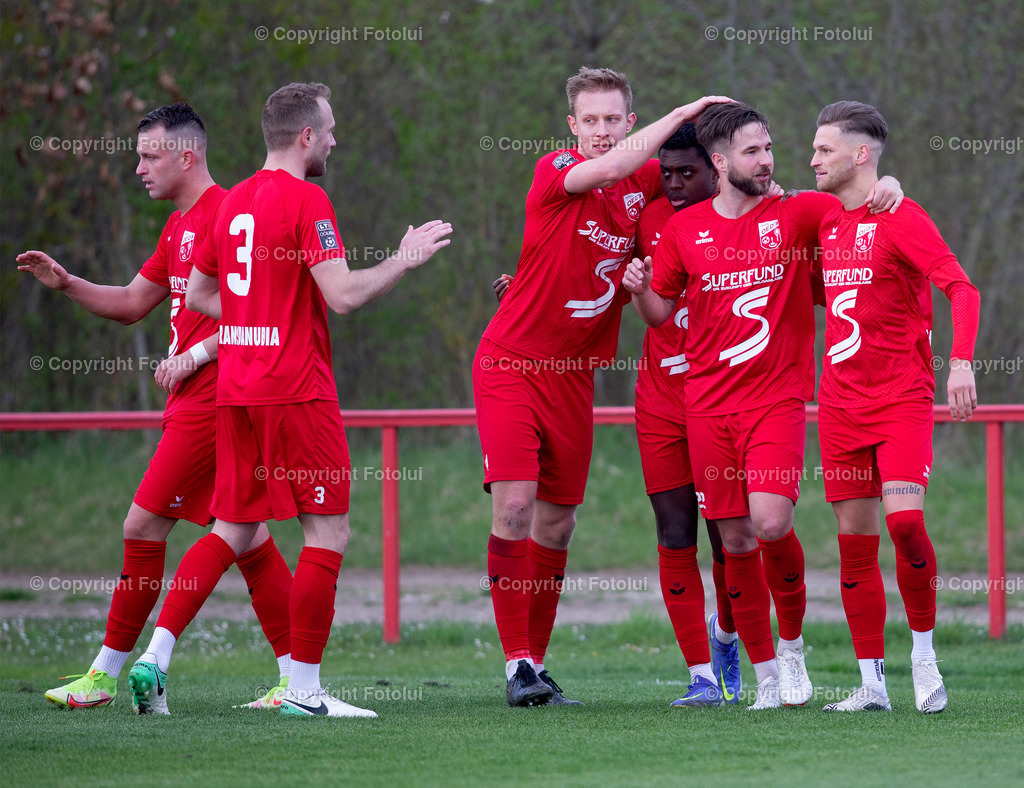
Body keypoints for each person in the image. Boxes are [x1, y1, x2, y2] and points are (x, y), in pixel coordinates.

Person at [127, 82, 452, 718]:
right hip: (297, 390)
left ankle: (155, 656)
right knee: (328, 532)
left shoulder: (232, 201)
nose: (334, 139)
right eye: (329, 129)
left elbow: (196, 297)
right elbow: (345, 295)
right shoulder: (309, 200)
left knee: (233, 528)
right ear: (305, 136)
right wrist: (403, 259)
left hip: (237, 392)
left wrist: (257, 313)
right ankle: (303, 690)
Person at [625, 101, 903, 709]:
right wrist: (643, 290)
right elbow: (660, 312)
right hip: (705, 406)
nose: (767, 159)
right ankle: (767, 679)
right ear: (720, 162)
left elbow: (861, 200)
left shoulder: (797, 211)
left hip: (776, 400)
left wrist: (887, 182)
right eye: (753, 151)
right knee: (736, 543)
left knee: (771, 523)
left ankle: (794, 649)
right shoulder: (684, 230)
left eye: (769, 147)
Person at [17, 103, 293, 712]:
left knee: (142, 527)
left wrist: (195, 356)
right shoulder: (176, 227)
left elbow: (263, 311)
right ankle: (297, 681)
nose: (139, 167)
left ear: (186, 155)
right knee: (248, 540)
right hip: (203, 399)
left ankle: (104, 675)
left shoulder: (228, 212)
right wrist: (68, 285)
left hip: (217, 399)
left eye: (149, 155)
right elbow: (132, 301)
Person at [474, 64, 730, 707]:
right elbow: (610, 170)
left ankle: (536, 663)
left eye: (613, 119)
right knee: (514, 508)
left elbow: (713, 179)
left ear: (629, 122)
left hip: (574, 378)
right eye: (589, 119)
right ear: (572, 125)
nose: (600, 130)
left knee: (557, 529)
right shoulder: (556, 168)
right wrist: (685, 106)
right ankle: (516, 666)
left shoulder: (646, 180)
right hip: (511, 362)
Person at [810, 101, 979, 713]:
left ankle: (925, 656)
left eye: (824, 148)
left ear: (860, 154)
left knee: (905, 524)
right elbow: (754, 208)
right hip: (840, 403)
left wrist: (961, 363)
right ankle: (871, 684)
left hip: (902, 396)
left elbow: (962, 286)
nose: (813, 159)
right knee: (854, 541)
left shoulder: (902, 215)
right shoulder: (822, 220)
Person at [630, 124, 741, 707]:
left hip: (720, 399)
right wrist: (524, 286)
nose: (673, 184)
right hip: (659, 403)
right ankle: (701, 676)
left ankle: (727, 636)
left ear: (716, 167)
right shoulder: (645, 216)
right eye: (666, 172)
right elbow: (583, 254)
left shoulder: (746, 214)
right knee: (675, 533)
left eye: (686, 173)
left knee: (729, 540)